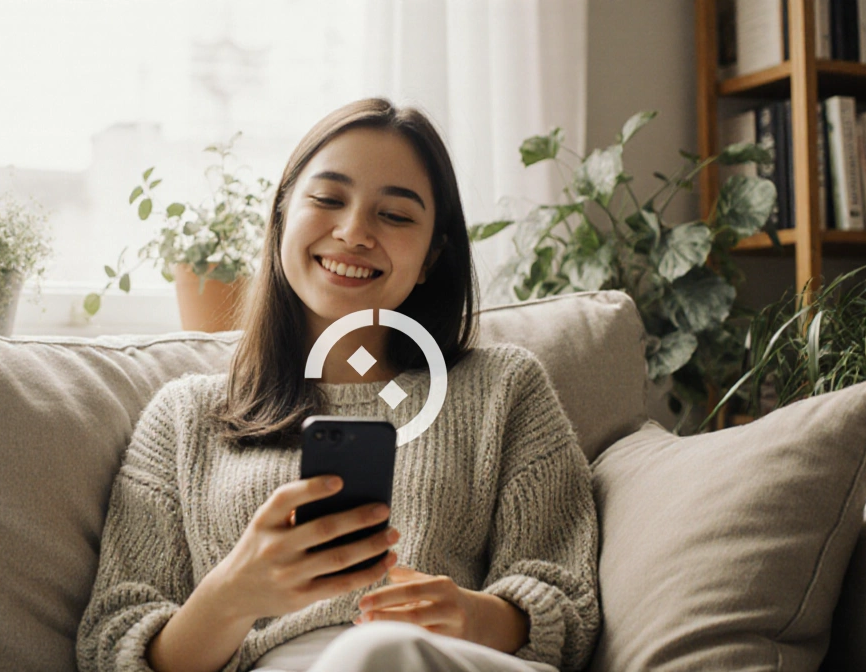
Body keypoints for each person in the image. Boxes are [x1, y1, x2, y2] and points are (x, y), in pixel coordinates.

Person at [76, 98, 599, 672]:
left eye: (395, 216)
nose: (353, 233)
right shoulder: (183, 419)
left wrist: (472, 617)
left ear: (431, 257)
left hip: (446, 662)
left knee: (381, 649)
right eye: (327, 199)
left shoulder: (505, 389)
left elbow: (567, 598)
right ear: (279, 218)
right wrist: (233, 594)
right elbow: (111, 647)